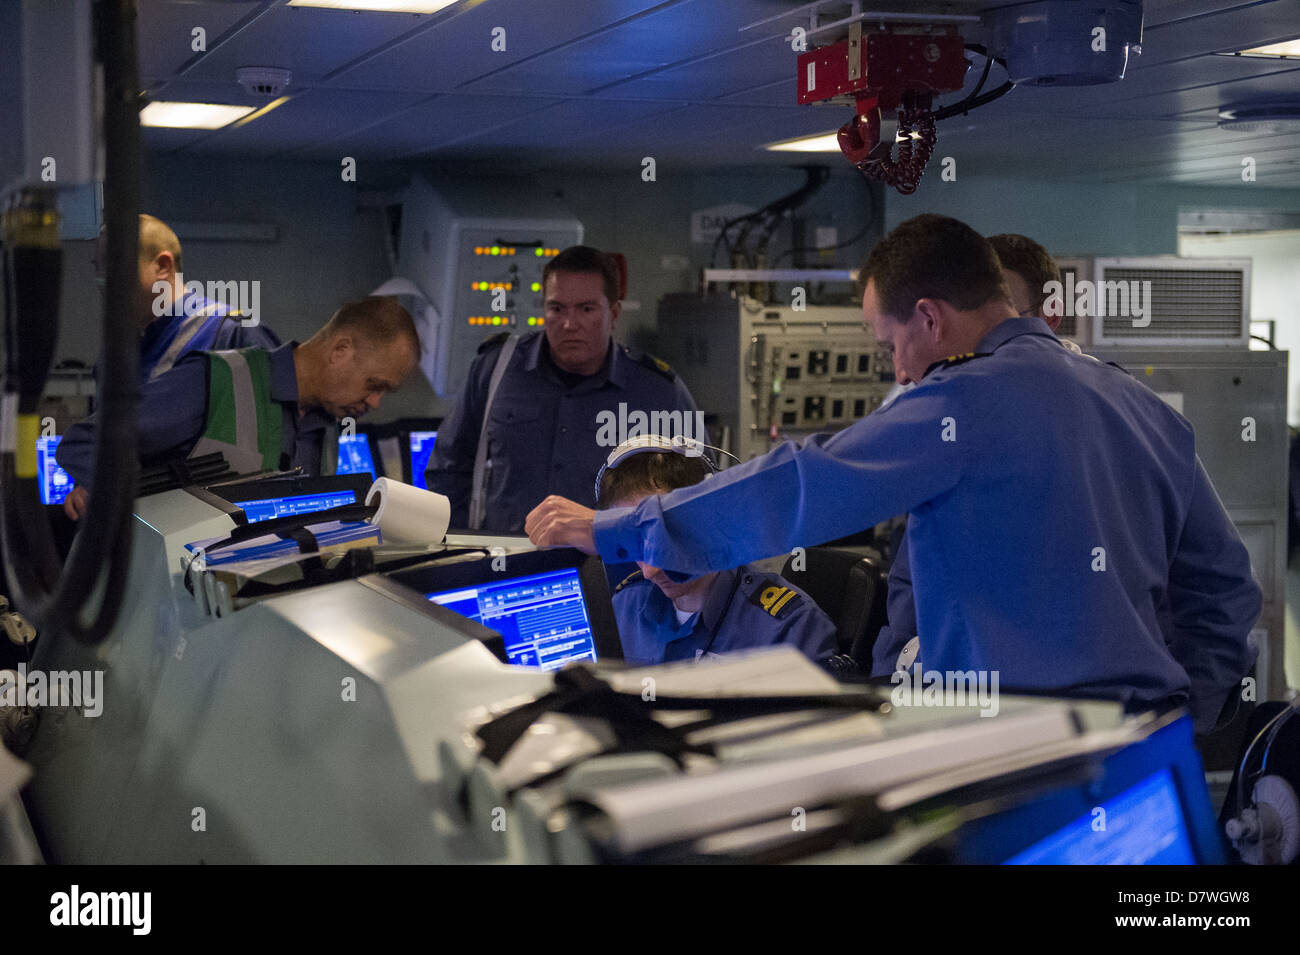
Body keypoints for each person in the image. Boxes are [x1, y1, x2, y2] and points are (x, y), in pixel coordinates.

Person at [524, 214, 1261, 734]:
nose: (898, 371)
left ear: (930, 319)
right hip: (1148, 748)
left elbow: (799, 485)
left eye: (889, 346)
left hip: (1020, 749)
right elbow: (1227, 586)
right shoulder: (1138, 402)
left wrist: (617, 529)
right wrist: (1185, 715)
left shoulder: (962, 402)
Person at [874, 232, 1094, 677]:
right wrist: (899, 678)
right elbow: (910, 588)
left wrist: (1181, 711)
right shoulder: (944, 419)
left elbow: (1215, 586)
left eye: (1002, 316)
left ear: (1049, 314)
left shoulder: (1122, 417)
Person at [58, 296, 419, 519]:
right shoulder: (215, 381)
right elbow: (85, 442)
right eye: (375, 385)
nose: (374, 403)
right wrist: (114, 494)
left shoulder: (324, 429)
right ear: (340, 350)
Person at [425, 245, 703, 532]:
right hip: (508, 564)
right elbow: (448, 470)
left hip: (611, 568)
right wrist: (461, 549)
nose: (570, 324)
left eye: (586, 309)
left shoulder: (657, 391)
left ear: (614, 312)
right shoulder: (496, 370)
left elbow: (699, 494)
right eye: (557, 308)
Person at [598, 435, 837, 666]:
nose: (650, 571)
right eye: (633, 543)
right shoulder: (624, 606)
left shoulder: (789, 627)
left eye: (664, 536)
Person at [100, 215, 281, 382]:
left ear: (163, 266)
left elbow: (273, 414)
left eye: (114, 265)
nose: (104, 280)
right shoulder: (124, 353)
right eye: (99, 267)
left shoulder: (233, 334)